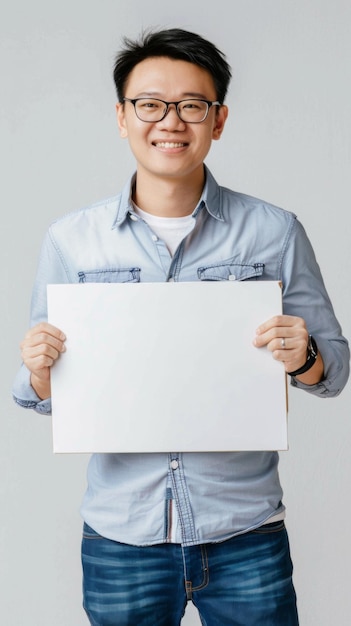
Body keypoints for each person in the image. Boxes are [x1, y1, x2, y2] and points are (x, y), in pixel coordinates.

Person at [13, 27, 349, 626]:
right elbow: (34, 396)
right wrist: (39, 370)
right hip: (122, 535)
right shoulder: (71, 240)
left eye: (192, 105)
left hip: (245, 529)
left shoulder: (275, 231)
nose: (171, 121)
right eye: (150, 104)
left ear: (217, 120)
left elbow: (334, 372)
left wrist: (306, 355)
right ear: (123, 117)